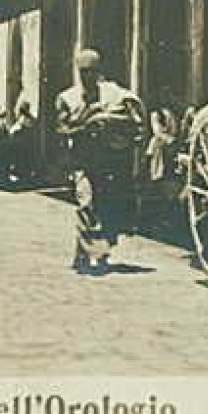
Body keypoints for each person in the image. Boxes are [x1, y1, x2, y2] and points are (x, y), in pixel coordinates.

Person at [55, 48, 145, 276]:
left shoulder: (114, 94)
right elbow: (63, 129)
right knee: (86, 203)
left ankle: (94, 254)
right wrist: (86, 121)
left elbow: (133, 116)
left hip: (107, 161)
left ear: (99, 72)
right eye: (83, 72)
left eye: (92, 72)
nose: (88, 77)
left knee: (104, 207)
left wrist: (108, 118)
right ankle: (89, 255)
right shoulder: (69, 98)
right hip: (82, 161)